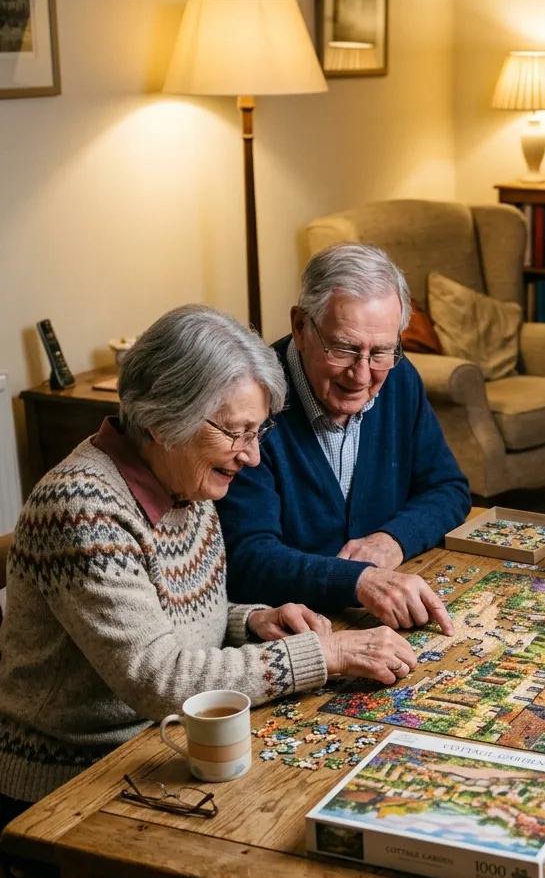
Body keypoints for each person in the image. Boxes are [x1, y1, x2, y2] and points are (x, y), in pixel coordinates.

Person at [0, 306, 417, 822]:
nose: (252, 457)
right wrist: (324, 654)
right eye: (237, 432)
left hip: (168, 746)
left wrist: (251, 621)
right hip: (77, 780)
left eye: (258, 432)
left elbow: (176, 624)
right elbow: (164, 678)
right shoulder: (83, 510)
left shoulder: (185, 481)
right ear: (159, 420)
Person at [217, 243, 470, 632]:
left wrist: (392, 540)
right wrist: (358, 580)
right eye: (345, 349)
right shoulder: (252, 403)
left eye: (382, 351)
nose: (363, 375)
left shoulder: (400, 378)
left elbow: (448, 488)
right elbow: (248, 557)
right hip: (296, 631)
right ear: (301, 327)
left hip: (386, 612)